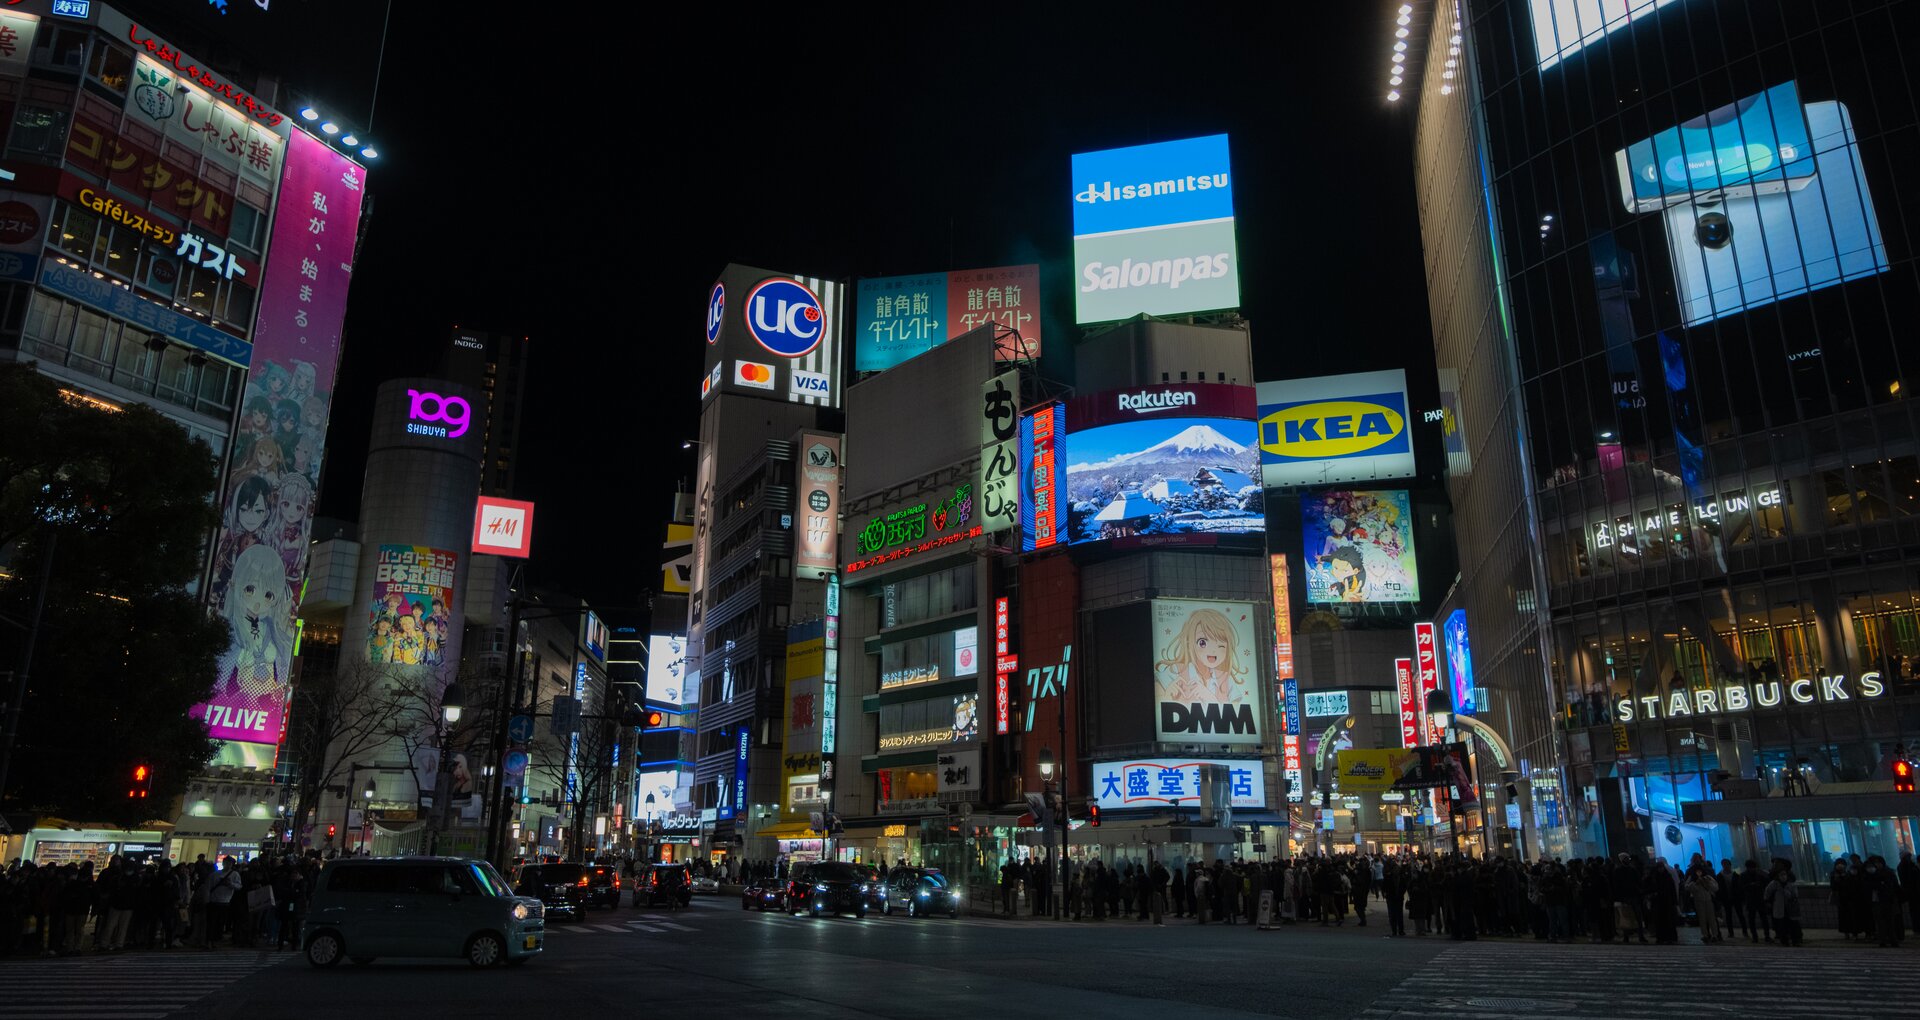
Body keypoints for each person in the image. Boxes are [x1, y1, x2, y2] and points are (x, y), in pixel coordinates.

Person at [1864, 856, 1903, 948]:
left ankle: (1891, 940)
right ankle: (1884, 940)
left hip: (1887, 900)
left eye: (1878, 863)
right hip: (1877, 901)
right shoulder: (1870, 875)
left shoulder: (1887, 873)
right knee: (1881, 922)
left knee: (1888, 922)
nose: (1876, 865)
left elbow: (1890, 887)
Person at [1764, 862, 1802, 947]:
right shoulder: (1774, 884)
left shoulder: (1790, 884)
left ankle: (1795, 940)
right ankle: (1785, 941)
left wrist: (1789, 894)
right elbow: (1767, 893)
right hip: (1779, 908)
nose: (1783, 876)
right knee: (1782, 926)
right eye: (1781, 875)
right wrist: (1768, 902)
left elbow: (1795, 895)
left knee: (1793, 925)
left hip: (1790, 908)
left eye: (1784, 874)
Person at [1684, 862, 1720, 943]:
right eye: (1697, 871)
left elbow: (1716, 887)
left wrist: (1707, 883)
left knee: (1711, 918)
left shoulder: (1708, 877)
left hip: (1708, 900)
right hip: (1698, 900)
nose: (1699, 872)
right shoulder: (1692, 878)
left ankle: (1714, 935)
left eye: (1700, 871)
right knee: (1702, 919)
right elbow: (1687, 887)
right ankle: (1705, 935)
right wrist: (1696, 883)